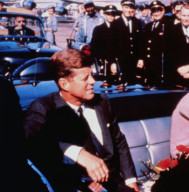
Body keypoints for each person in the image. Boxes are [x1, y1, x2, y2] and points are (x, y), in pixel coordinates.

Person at [24, 49, 140, 192]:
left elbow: (119, 141)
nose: (93, 81)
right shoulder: (44, 107)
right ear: (64, 83)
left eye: (92, 75)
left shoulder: (102, 102)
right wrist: (78, 153)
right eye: (85, 78)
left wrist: (130, 179)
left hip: (114, 183)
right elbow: (29, 140)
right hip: (75, 185)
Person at [109, 0, 144, 88]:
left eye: (131, 8)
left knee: (133, 88)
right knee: (120, 89)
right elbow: (111, 45)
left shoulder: (137, 22)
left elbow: (140, 42)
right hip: (120, 62)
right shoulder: (115, 24)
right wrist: (113, 62)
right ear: (122, 8)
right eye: (126, 7)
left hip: (134, 62)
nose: (128, 10)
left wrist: (141, 58)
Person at [164, 3, 189, 88]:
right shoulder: (170, 30)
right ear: (179, 15)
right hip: (175, 77)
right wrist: (180, 70)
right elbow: (168, 52)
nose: (186, 19)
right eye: (183, 15)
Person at [144, 0, 170, 86]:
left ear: (163, 11)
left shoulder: (168, 25)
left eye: (158, 11)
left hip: (161, 68)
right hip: (149, 68)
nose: (156, 14)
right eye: (154, 11)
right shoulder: (148, 26)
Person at [91, 5, 118, 86]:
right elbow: (94, 45)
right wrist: (100, 58)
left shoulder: (118, 29)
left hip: (116, 59)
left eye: (112, 15)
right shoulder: (99, 29)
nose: (110, 17)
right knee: (104, 82)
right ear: (105, 15)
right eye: (108, 15)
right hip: (103, 60)